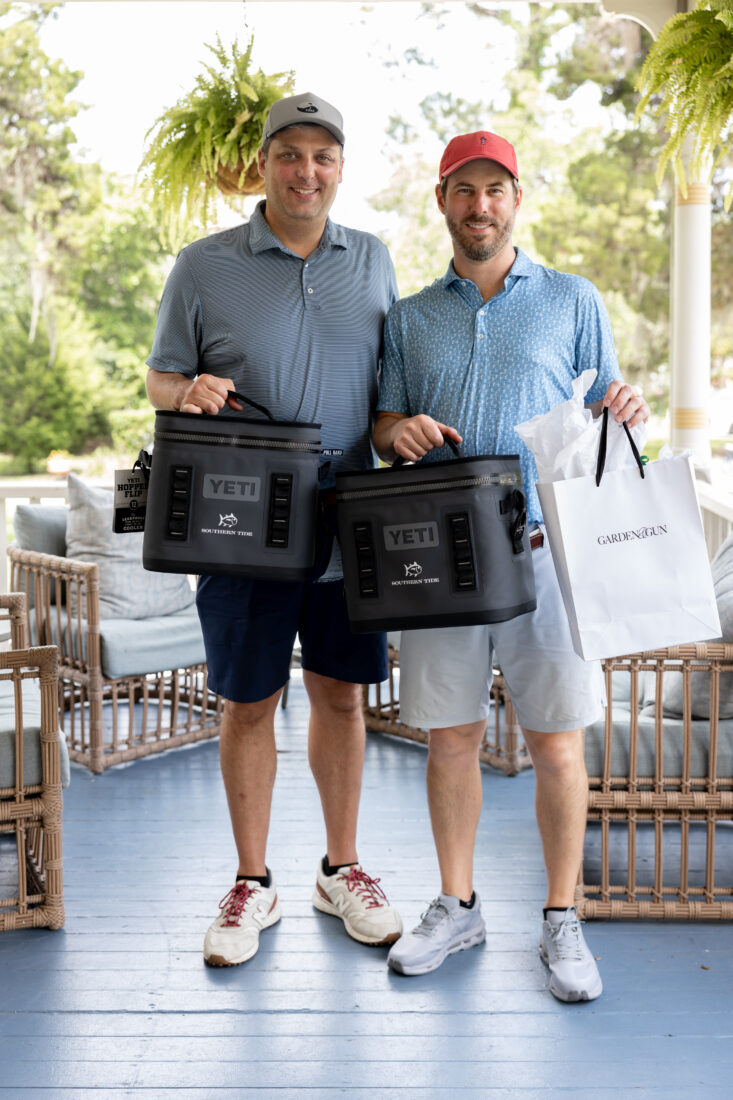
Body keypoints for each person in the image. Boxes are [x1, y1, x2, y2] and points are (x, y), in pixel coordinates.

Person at [372, 130, 649, 1001]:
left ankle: (561, 918)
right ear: (441, 201)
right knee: (450, 739)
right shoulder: (409, 317)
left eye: (495, 189)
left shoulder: (571, 299)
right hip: (443, 562)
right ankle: (456, 904)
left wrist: (625, 403)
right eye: (464, 190)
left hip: (546, 553)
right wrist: (396, 431)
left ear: (516, 200)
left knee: (556, 746)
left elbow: (605, 411)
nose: (479, 205)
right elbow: (382, 426)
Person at [146, 92, 402, 967]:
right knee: (249, 700)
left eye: (322, 156)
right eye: (289, 154)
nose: (305, 171)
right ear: (261, 164)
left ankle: (341, 870)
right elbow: (160, 377)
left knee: (341, 694)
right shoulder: (203, 265)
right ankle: (252, 881)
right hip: (239, 520)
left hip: (346, 517)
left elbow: (389, 387)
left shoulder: (372, 259)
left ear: (340, 168)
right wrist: (187, 390)